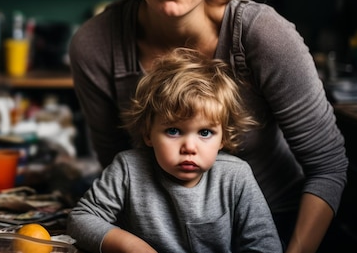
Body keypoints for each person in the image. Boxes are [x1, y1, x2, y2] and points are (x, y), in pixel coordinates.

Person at [68, 0, 348, 253]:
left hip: (279, 228)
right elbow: (123, 169)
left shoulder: (262, 35)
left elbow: (328, 166)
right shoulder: (95, 46)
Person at [67, 48, 283, 253]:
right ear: (148, 134)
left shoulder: (236, 176)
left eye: (205, 133)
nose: (189, 147)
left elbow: (265, 246)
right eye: (173, 131)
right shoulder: (128, 168)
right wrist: (130, 245)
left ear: (223, 139)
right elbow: (81, 219)